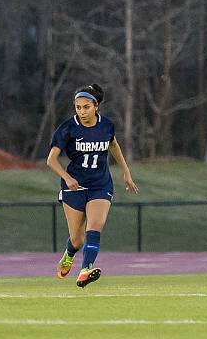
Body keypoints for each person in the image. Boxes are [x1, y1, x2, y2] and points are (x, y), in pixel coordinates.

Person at [46, 84, 139, 288]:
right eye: (78, 107)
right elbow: (51, 160)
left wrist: (126, 171)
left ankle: (86, 269)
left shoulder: (106, 125)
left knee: (95, 226)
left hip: (100, 184)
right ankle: (70, 253)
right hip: (75, 186)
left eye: (86, 107)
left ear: (95, 106)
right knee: (77, 240)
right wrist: (67, 178)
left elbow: (113, 144)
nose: (82, 111)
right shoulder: (68, 128)